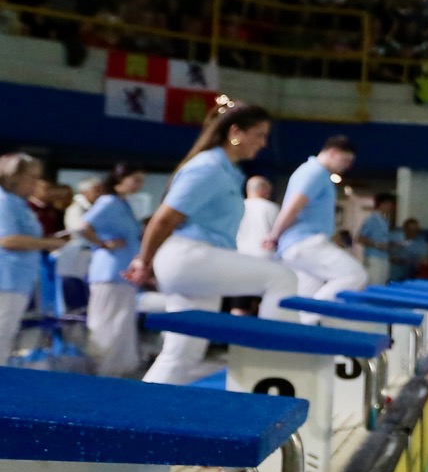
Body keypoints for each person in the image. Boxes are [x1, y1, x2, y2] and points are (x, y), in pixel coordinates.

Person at [127, 103, 302, 385]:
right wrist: (143, 261)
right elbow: (162, 220)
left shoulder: (227, 171)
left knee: (182, 354)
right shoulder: (207, 167)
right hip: (189, 256)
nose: (263, 143)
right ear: (235, 132)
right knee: (282, 278)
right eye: (258, 135)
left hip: (196, 261)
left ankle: (137, 417)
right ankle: (273, 365)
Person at [271, 134, 368, 301]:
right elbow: (293, 207)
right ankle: (313, 317)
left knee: (307, 295)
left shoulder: (318, 174)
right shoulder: (314, 172)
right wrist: (273, 236)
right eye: (345, 160)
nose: (348, 166)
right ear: (332, 152)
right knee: (355, 275)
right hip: (305, 243)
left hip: (300, 244)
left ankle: (306, 321)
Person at [78, 163, 146, 375]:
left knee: (122, 324)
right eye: (135, 179)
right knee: (107, 322)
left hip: (123, 273)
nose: (139, 185)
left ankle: (119, 369)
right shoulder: (108, 202)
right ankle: (103, 370)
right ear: (120, 180)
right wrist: (102, 243)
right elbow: (82, 226)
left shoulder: (123, 204)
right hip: (108, 272)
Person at [0, 153, 66, 365]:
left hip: (17, 280)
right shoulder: (4, 201)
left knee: (6, 337)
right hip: (5, 280)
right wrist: (49, 244)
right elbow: (7, 240)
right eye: (32, 177)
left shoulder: (18, 203)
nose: (36, 183)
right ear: (14, 176)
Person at [357, 193, 397, 287]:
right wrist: (377, 245)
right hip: (374, 257)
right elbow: (360, 238)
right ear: (382, 204)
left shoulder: (386, 220)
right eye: (389, 204)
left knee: (383, 283)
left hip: (384, 257)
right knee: (374, 283)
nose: (391, 207)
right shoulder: (372, 219)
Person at [236, 175, 279, 257]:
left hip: (239, 254)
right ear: (263, 190)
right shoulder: (272, 207)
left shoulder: (236, 207)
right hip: (265, 255)